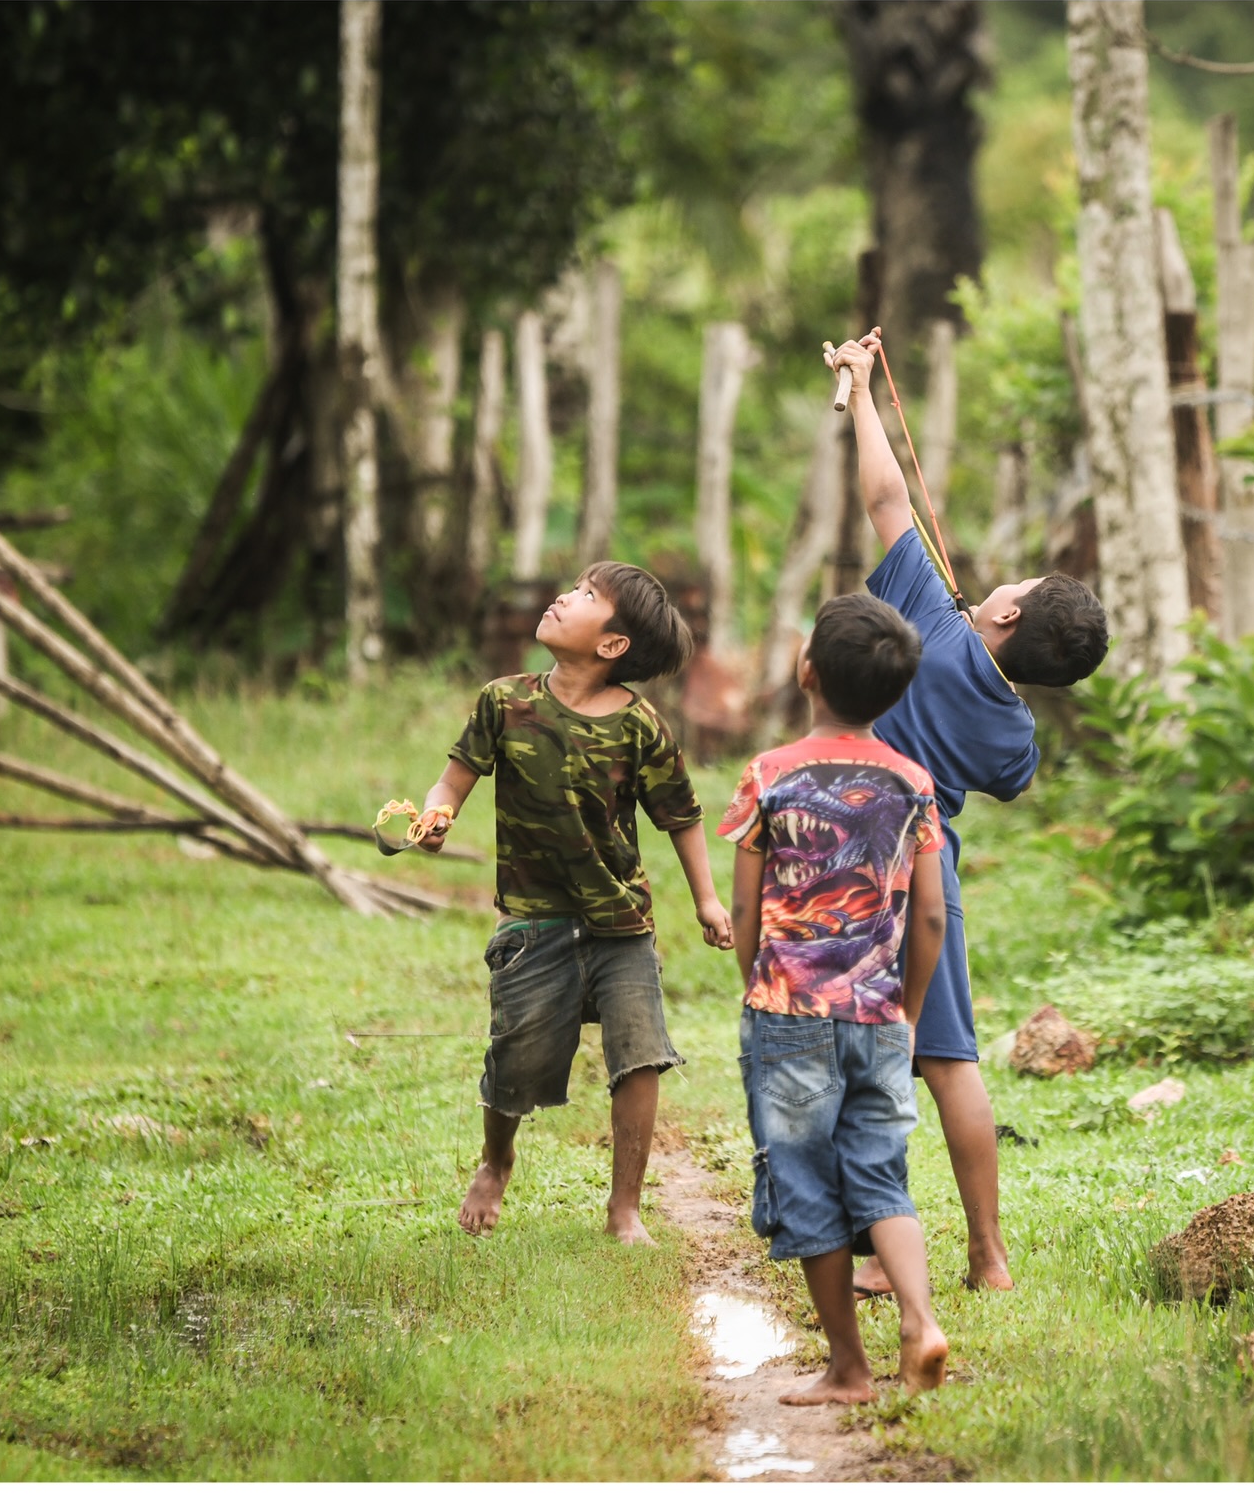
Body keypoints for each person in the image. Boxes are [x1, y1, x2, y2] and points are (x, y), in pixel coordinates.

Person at [825, 331, 1110, 1295]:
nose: (1002, 583)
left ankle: (873, 1254)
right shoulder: (1013, 729)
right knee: (949, 1060)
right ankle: (989, 1258)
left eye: (1016, 588)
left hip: (853, 845)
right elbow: (1011, 777)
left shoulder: (929, 629)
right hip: (928, 858)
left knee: (865, 1052)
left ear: (1009, 617)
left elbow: (884, 500)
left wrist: (861, 389)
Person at [411, 561, 734, 1244]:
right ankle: (496, 1160)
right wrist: (435, 819)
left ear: (612, 645)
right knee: (515, 1060)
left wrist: (707, 899)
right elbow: (450, 785)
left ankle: (625, 1208)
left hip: (621, 922)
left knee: (639, 1053)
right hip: (531, 922)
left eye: (588, 597)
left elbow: (680, 816)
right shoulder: (504, 702)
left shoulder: (640, 726)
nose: (564, 597)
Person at [720, 593, 951, 1401]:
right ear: (897, 692)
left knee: (807, 1185)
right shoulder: (914, 782)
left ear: (805, 670)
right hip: (882, 1013)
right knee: (883, 1176)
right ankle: (921, 1322)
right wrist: (909, 1009)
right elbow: (930, 913)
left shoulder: (769, 775)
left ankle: (849, 1368)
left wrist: (758, 978)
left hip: (789, 1017)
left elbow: (746, 908)